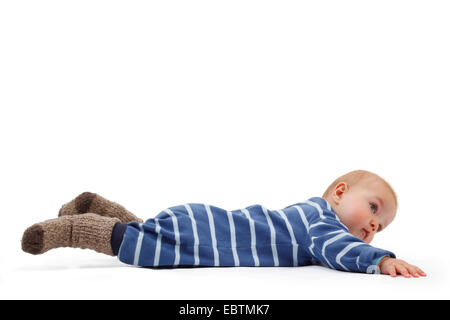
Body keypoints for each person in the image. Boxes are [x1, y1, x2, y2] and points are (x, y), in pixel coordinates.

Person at [21, 169, 426, 278]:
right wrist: (379, 260)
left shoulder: (311, 216)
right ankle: (70, 229)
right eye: (373, 209)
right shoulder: (320, 223)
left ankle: (97, 205)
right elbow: (338, 250)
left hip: (203, 222)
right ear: (339, 192)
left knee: (152, 233)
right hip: (206, 235)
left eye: (381, 228)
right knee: (145, 249)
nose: (373, 227)